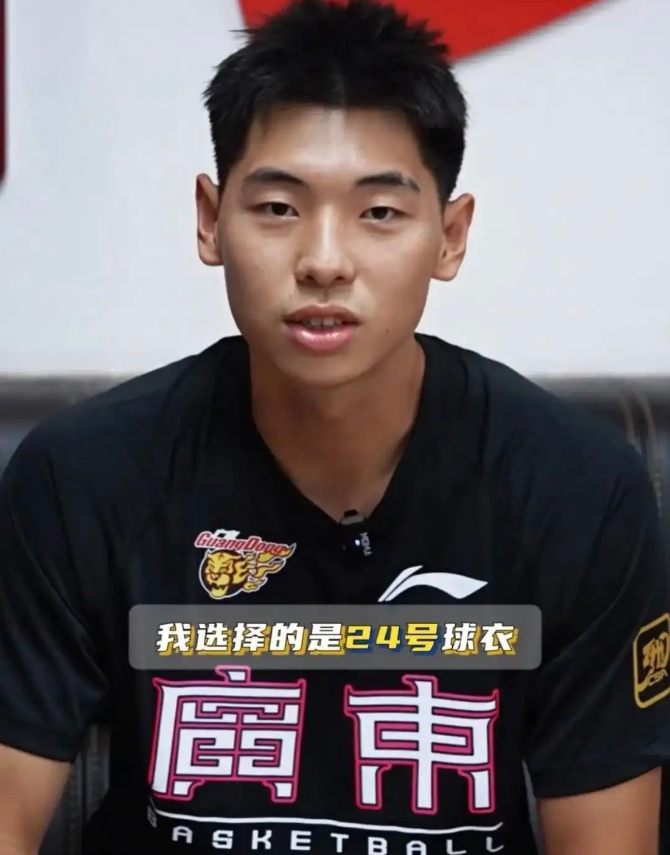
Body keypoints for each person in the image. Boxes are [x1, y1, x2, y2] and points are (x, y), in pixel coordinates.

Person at [1, 1, 669, 853]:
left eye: (379, 212)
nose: (324, 260)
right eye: (279, 207)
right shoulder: (81, 477)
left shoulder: (578, 490)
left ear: (450, 236)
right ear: (210, 219)